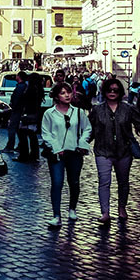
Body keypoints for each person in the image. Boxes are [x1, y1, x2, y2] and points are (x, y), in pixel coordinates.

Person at [88, 78, 140, 223]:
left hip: (124, 151)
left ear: (120, 92)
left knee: (123, 182)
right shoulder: (97, 109)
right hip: (103, 150)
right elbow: (90, 130)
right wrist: (79, 144)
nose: (112, 93)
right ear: (104, 91)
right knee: (104, 182)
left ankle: (122, 208)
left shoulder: (128, 109)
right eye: (109, 90)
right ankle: (105, 212)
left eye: (115, 90)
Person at [40, 82, 91, 228]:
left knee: (74, 182)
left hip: (74, 152)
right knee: (57, 183)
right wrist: (56, 147)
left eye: (68, 92)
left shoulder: (79, 112)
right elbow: (46, 133)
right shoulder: (49, 114)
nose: (67, 95)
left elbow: (87, 129)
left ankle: (72, 208)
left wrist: (82, 142)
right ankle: (56, 215)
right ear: (56, 96)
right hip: (56, 154)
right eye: (63, 93)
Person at [16, 72, 44, 162]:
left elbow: (26, 101)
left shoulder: (31, 89)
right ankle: (34, 155)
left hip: (28, 113)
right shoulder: (39, 89)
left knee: (23, 134)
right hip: (35, 114)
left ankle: (24, 156)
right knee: (32, 135)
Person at [5, 71, 28, 153]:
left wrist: (13, 107)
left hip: (17, 110)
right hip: (20, 110)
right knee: (19, 129)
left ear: (19, 77)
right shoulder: (24, 86)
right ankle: (19, 145)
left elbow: (16, 99)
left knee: (12, 128)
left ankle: (10, 146)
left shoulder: (20, 87)